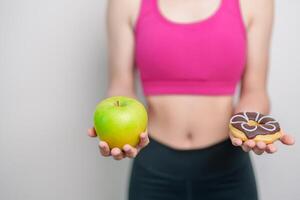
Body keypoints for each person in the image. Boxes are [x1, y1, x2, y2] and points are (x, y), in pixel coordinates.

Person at [88, 0, 295, 199]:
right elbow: (120, 84)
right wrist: (119, 132)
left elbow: (255, 91)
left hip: (229, 168)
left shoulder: (256, 2)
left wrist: (251, 129)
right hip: (153, 167)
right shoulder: (125, 2)